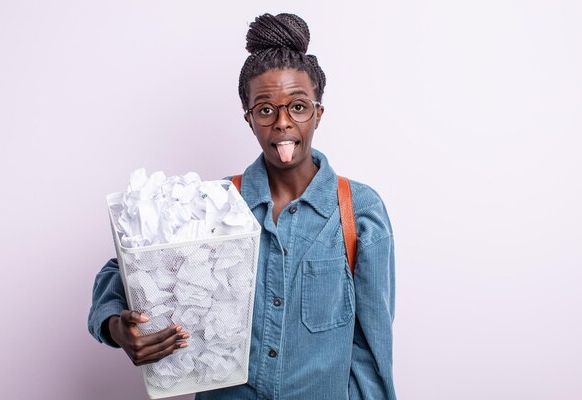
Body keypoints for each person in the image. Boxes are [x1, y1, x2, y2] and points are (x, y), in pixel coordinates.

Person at [88, 13, 396, 400]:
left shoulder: (359, 211)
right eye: (266, 110)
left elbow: (372, 348)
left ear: (318, 111)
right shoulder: (211, 204)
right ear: (250, 119)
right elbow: (125, 266)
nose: (283, 123)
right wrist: (116, 325)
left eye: (298, 107)